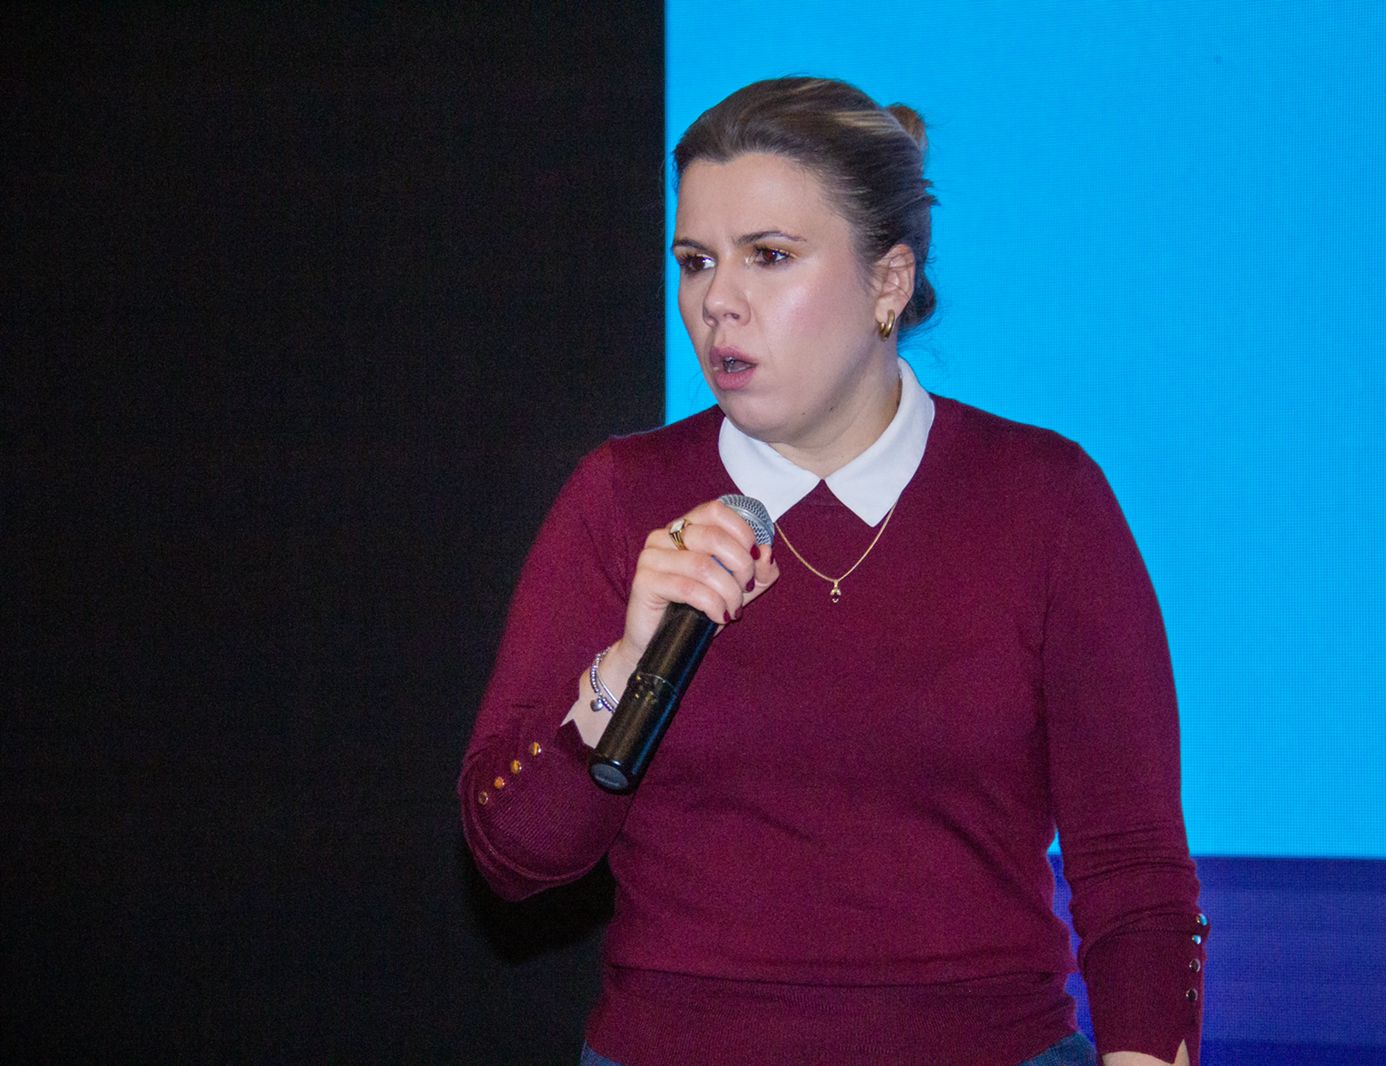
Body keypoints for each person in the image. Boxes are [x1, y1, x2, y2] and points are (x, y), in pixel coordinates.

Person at [460, 76, 1207, 1066]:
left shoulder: (1044, 500)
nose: (718, 301)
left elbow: (1137, 878)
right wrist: (624, 668)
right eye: (695, 262)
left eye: (768, 257)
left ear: (889, 283)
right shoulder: (622, 498)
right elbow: (511, 855)